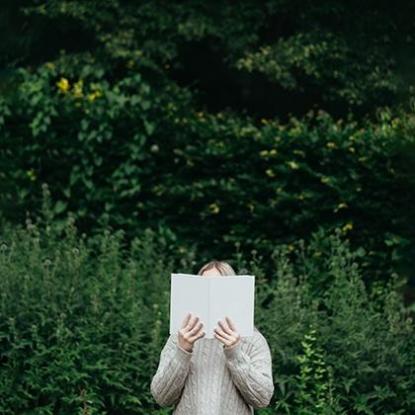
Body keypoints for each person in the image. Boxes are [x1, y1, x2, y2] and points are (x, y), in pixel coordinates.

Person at [150, 260, 274, 414]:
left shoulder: (253, 340)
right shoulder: (180, 337)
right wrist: (182, 351)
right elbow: (161, 398)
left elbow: (262, 399)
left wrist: (235, 353)